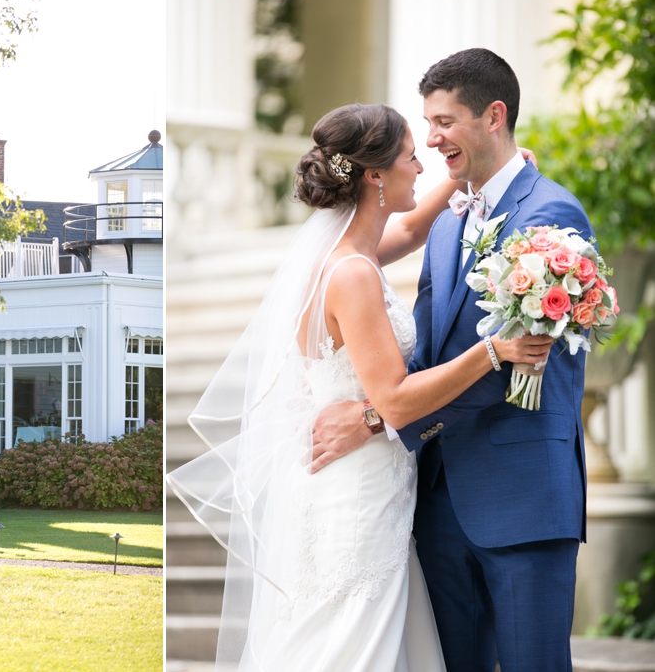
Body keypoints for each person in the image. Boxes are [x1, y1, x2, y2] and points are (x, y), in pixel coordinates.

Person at [166, 99, 554, 671]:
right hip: (357, 494)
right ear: (375, 174)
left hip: (357, 483)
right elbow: (394, 400)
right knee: (350, 643)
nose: (422, 168)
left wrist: (497, 171)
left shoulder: (346, 253)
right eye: (410, 158)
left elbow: (417, 226)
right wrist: (492, 351)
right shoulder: (351, 273)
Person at [309, 49, 592, 672]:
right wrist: (382, 403)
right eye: (425, 127)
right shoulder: (444, 223)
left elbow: (527, 365)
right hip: (434, 504)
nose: (432, 140)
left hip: (522, 499)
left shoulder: (550, 217)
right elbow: (435, 347)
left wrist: (380, 417)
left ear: (494, 116)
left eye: (443, 122)